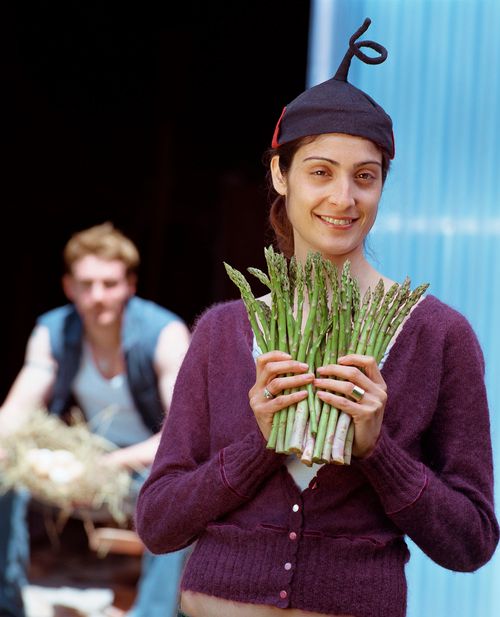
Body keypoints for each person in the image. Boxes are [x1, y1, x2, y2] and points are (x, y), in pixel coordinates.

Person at [134, 18, 499, 617]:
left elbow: (471, 541)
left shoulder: (438, 336)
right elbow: (158, 523)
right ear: (281, 175)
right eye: (320, 172)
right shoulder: (223, 331)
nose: (343, 199)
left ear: (383, 186)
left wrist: (378, 451)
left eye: (365, 177)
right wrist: (257, 441)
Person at [0, 222, 191, 617]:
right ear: (69, 287)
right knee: (5, 473)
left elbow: (181, 434)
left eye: (110, 283)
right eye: (86, 285)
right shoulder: (53, 331)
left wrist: (102, 467)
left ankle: (154, 612)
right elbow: (17, 412)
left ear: (130, 285)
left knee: (181, 488)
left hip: (143, 469)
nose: (97, 297)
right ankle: (7, 601)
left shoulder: (164, 333)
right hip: (81, 462)